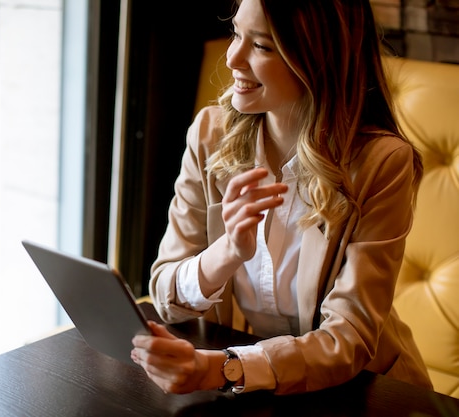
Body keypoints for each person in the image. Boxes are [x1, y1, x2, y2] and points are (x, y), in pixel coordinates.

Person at [130, 0, 434, 395]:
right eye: (237, 33)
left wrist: (224, 370)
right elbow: (165, 293)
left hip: (368, 392)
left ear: (318, 58)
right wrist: (226, 253)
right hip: (258, 388)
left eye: (262, 46)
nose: (232, 57)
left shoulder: (381, 163)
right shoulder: (210, 135)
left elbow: (350, 336)